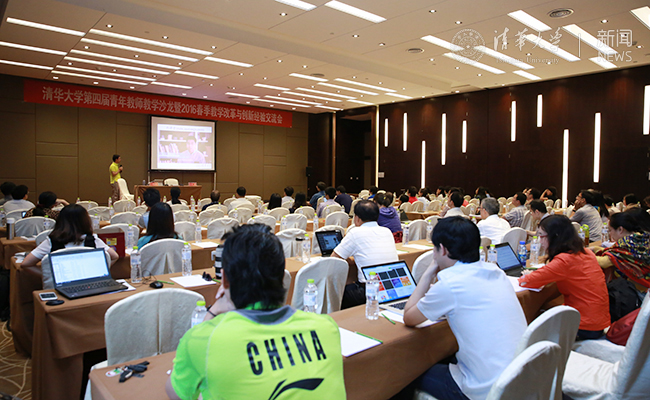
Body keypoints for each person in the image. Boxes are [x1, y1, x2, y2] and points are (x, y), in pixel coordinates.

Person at [166, 224, 345, 400]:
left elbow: (176, 394)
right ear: (282, 277)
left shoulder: (202, 340)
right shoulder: (327, 327)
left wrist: (214, 311)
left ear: (225, 280)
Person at [403, 217, 527, 400]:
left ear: (443, 250)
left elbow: (409, 317)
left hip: (485, 389)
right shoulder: (496, 272)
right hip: (521, 378)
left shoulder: (451, 284)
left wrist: (428, 272)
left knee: (406, 373)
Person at [519, 215, 610, 340]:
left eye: (541, 236)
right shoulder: (586, 252)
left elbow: (526, 282)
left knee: (531, 329)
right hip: (598, 320)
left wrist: (527, 275)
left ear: (555, 237)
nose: (540, 241)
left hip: (584, 325)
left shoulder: (564, 260)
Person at [332, 200, 398, 308]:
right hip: (392, 287)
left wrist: (348, 258)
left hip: (369, 291)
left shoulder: (355, 232)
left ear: (357, 218)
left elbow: (334, 258)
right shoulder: (387, 231)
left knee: (337, 292)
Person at [22, 204, 118, 268]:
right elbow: (114, 256)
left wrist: (47, 277)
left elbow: (25, 264)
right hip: (88, 287)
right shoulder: (92, 240)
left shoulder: (51, 242)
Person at [595, 209, 650, 291]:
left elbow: (604, 262)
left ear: (620, 229)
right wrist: (595, 249)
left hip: (640, 291)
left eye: (610, 230)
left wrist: (585, 253)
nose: (610, 234)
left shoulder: (626, 244)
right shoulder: (640, 238)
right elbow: (617, 253)